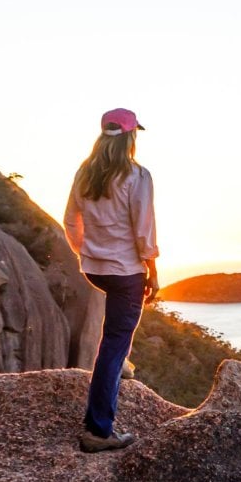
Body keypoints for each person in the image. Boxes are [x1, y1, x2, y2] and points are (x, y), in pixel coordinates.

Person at [62, 107, 160, 452]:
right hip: (125, 270)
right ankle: (98, 431)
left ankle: (122, 365)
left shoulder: (85, 174)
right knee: (115, 338)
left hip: (94, 269)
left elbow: (71, 221)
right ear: (132, 136)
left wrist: (86, 252)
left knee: (118, 331)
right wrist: (153, 271)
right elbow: (143, 231)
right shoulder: (137, 176)